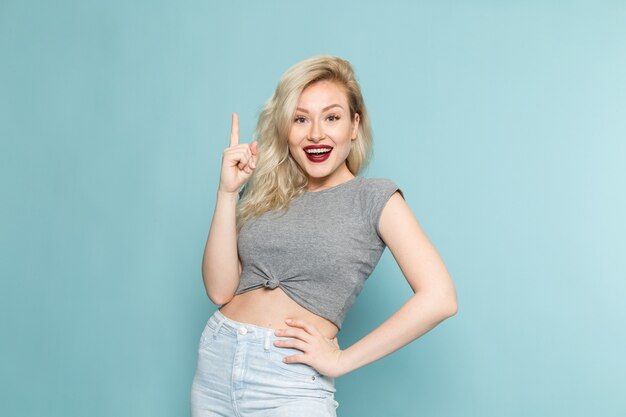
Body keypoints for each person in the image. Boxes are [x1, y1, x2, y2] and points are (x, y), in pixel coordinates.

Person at [190, 55, 458, 416]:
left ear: (354, 125)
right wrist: (226, 193)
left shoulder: (374, 197)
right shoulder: (267, 193)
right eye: (301, 119)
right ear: (286, 128)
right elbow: (220, 290)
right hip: (217, 361)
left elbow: (440, 298)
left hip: (288, 380)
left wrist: (342, 360)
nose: (316, 133)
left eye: (332, 117)